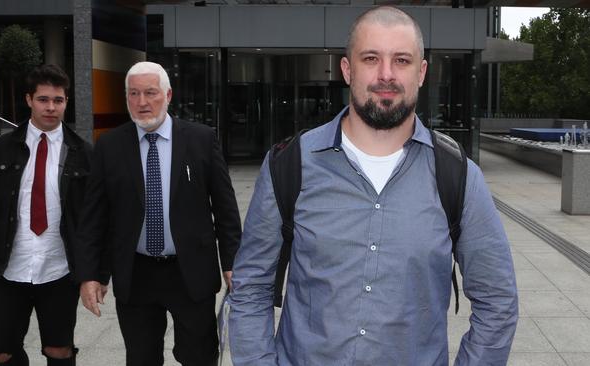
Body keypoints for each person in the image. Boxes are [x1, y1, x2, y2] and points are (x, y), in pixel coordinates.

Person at [229, 6, 518, 366]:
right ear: (347, 70)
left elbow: (498, 302)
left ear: (421, 73)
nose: (386, 75)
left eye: (401, 60)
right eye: (371, 58)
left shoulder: (459, 175)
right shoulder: (289, 166)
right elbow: (250, 288)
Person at [74, 61, 241, 366]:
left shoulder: (201, 140)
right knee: (141, 358)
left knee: (199, 356)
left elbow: (226, 209)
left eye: (150, 93)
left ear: (168, 94)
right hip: (136, 273)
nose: (142, 102)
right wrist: (89, 275)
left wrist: (232, 263)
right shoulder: (110, 145)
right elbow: (93, 216)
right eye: (133, 94)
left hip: (190, 270)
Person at [0, 64, 92, 366]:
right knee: (1, 351)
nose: (51, 107)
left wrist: (94, 274)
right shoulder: (0, 151)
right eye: (43, 99)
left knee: (59, 350)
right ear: (29, 99)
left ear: (66, 101)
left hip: (59, 270)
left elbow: (95, 219)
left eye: (58, 100)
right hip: (8, 269)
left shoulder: (83, 153)